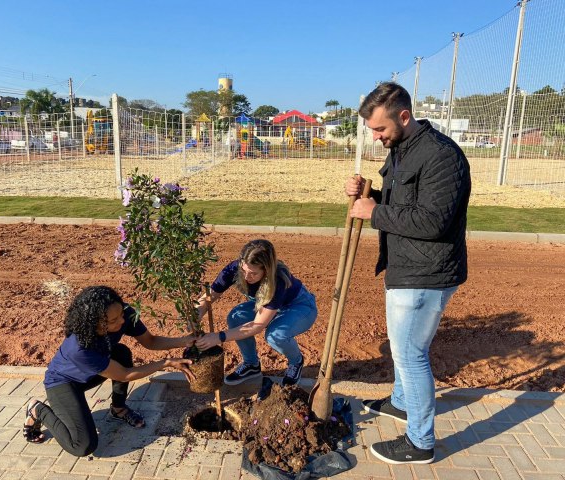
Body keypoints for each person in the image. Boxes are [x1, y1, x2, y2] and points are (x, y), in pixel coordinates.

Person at [346, 82, 471, 465]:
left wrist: (374, 212)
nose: (376, 137)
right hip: (406, 267)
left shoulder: (441, 156)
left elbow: (433, 221)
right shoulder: (403, 149)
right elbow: (407, 204)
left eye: (380, 129)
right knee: (404, 350)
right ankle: (401, 403)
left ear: (404, 116)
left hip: (427, 272)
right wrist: (374, 197)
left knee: (410, 354)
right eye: (371, 130)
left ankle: (420, 442)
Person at [22, 285, 195, 457]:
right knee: (82, 446)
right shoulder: (78, 347)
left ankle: (118, 409)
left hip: (93, 371)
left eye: (120, 315)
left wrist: (184, 341)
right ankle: (38, 410)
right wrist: (166, 363)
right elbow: (124, 374)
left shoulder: (123, 312)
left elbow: (150, 341)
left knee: (121, 353)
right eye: (112, 321)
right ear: (93, 323)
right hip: (63, 383)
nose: (121, 321)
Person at [195, 239, 317, 387]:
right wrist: (195, 315)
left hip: (299, 306)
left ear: (266, 270)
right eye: (244, 270)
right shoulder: (235, 268)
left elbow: (258, 325)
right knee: (236, 317)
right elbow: (210, 295)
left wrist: (219, 337)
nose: (246, 277)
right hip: (267, 305)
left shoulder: (278, 280)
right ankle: (251, 365)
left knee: (275, 335)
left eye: (253, 273)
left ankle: (296, 361)